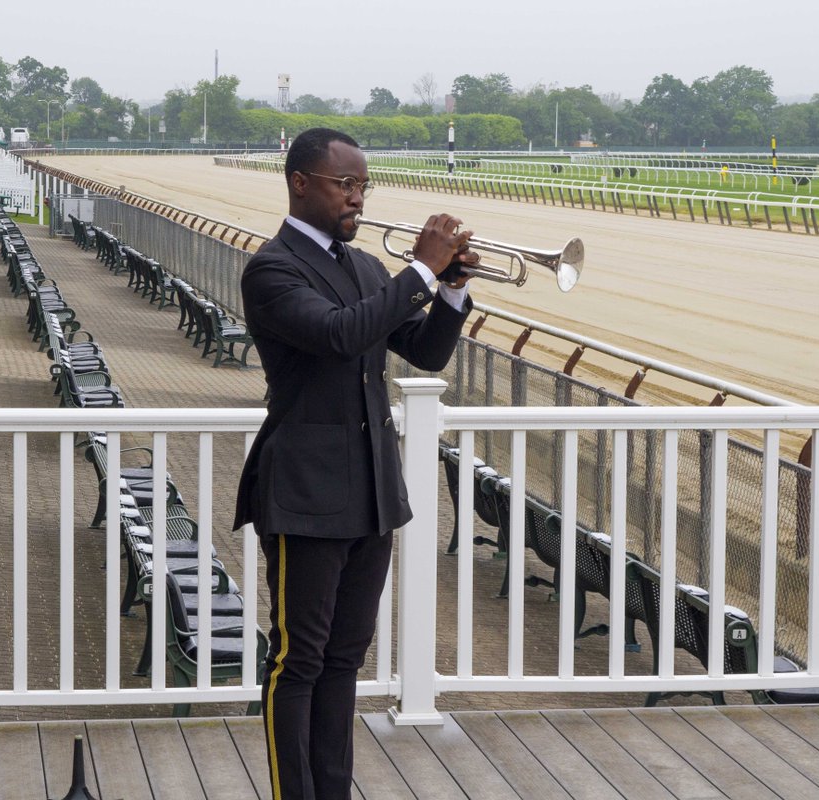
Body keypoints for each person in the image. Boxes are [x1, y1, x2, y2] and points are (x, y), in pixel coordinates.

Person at [233, 127, 478, 800]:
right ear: (300, 183)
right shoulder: (272, 269)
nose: (357, 197)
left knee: (344, 659)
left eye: (364, 185)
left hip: (371, 494)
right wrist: (421, 271)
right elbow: (339, 336)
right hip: (305, 493)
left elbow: (424, 353)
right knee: (298, 661)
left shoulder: (366, 267)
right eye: (345, 184)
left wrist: (450, 290)